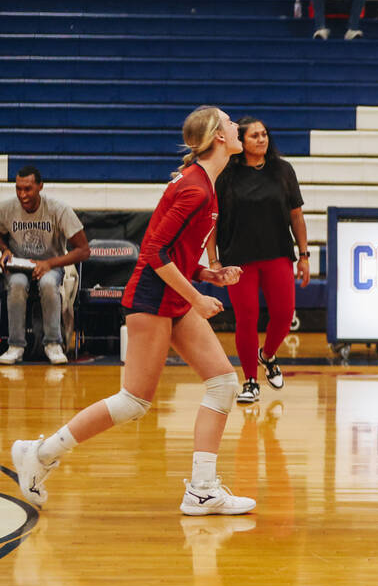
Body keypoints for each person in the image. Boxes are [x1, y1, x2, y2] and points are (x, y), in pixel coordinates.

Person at [11, 107, 256, 516]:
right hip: (151, 297)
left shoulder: (203, 183)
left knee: (223, 384)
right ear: (217, 137)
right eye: (231, 123)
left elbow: (171, 251)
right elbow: (153, 251)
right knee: (133, 402)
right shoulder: (196, 187)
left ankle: (202, 489)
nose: (238, 127)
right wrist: (196, 297)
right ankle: (40, 453)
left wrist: (207, 275)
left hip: (169, 294)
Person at [208, 117, 310, 405]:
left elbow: (296, 216)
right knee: (247, 319)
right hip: (238, 258)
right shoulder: (226, 174)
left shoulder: (283, 170)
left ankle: (268, 355)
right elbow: (212, 222)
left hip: (277, 253)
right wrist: (213, 261)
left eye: (264, 134)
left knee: (283, 314)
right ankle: (251, 381)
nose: (261, 139)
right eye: (254, 135)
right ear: (241, 140)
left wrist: (303, 255)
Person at [0, 166, 90, 365]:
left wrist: (48, 263)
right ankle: (15, 346)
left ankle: (53, 344)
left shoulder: (58, 209)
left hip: (52, 265)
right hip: (19, 266)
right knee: (16, 284)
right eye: (18, 189)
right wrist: (4, 249)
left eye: (28, 189)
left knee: (49, 284)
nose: (22, 194)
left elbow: (84, 250)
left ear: (40, 186)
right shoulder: (6, 208)